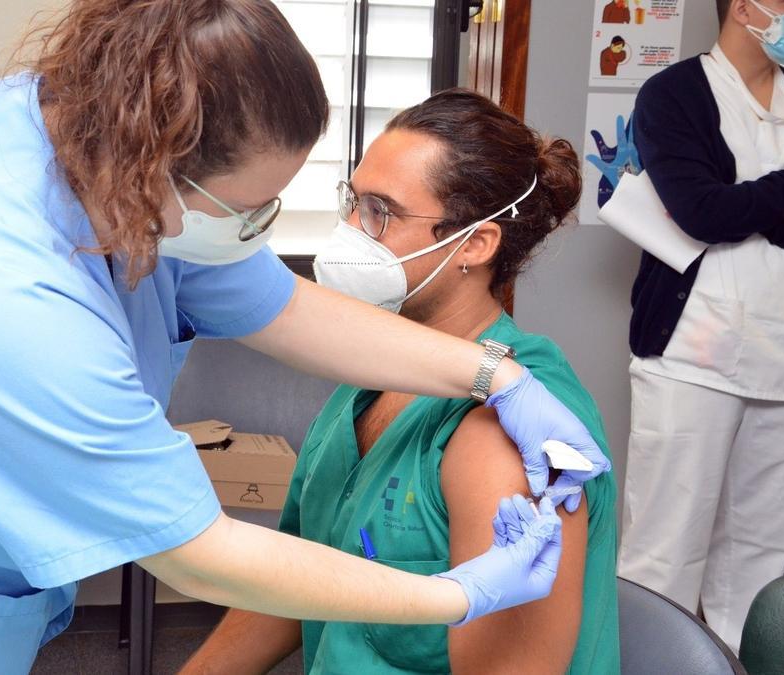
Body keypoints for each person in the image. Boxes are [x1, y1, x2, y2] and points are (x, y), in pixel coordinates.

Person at [0, 2, 612, 673]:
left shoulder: (98, 145)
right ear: (158, 170)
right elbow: (191, 549)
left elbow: (278, 307)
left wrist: (494, 378)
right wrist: (454, 592)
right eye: (254, 208)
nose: (276, 230)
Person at [181, 90, 620, 674]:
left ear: (476, 243)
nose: (350, 231)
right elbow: (299, 579)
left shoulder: (509, 440)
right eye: (353, 202)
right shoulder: (369, 379)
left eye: (380, 213)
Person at [618, 0, 784, 652]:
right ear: (740, 8)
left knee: (758, 557)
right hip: (693, 353)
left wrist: (756, 204)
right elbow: (701, 211)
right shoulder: (673, 94)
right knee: (664, 551)